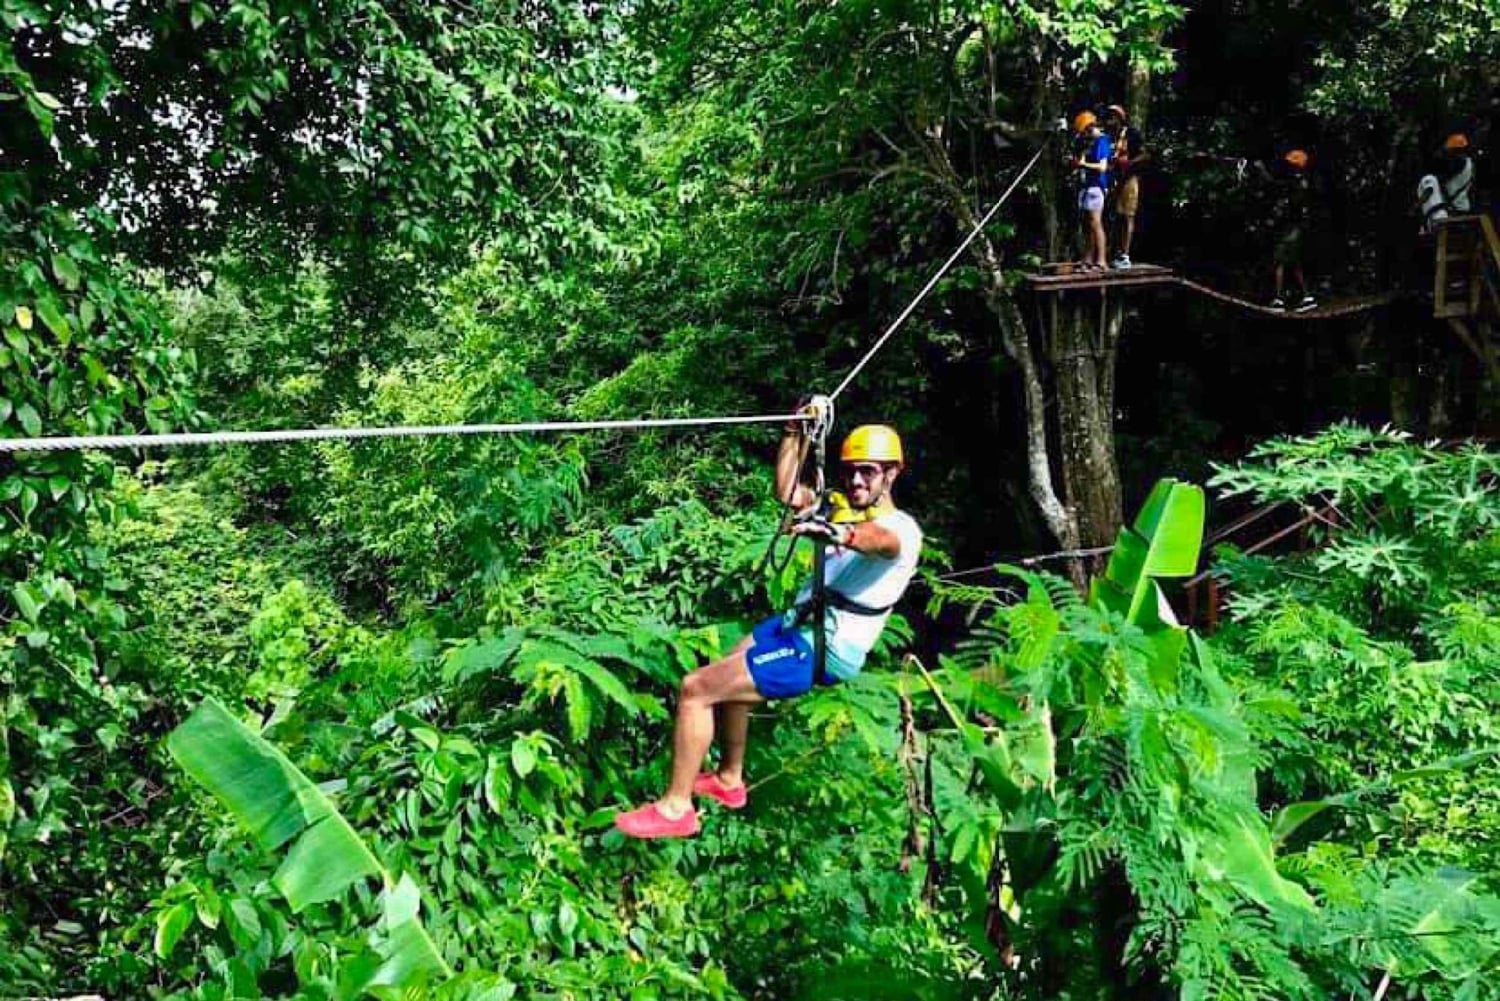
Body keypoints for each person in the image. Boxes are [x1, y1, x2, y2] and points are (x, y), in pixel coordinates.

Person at [613, 410, 923, 839]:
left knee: (696, 689)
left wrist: (838, 534)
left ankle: (675, 809)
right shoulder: (840, 508)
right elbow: (789, 491)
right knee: (728, 665)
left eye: (867, 472)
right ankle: (729, 778)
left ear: (892, 473)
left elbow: (879, 542)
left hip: (821, 647)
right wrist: (794, 431)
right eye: (850, 471)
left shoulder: (901, 529)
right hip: (799, 624)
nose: (855, 481)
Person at [1262, 148, 1317, 312]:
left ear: (1298, 165)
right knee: (1294, 263)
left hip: (1293, 229)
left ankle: (1278, 300)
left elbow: (1274, 185)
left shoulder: (1296, 181)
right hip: (1296, 228)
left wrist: (1261, 169)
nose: (1288, 166)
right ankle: (1307, 298)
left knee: (1279, 262)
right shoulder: (1301, 181)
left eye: (1291, 163)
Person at [1103, 104, 1149, 270]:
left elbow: (1145, 154)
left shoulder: (1131, 133)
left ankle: (1125, 255)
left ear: (1120, 118)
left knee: (1128, 215)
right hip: (1115, 180)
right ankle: (1112, 251)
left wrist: (1129, 162)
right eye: (1109, 116)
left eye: (1113, 116)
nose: (1110, 120)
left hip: (1130, 178)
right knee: (1115, 216)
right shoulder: (1110, 136)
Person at [1071, 110, 1113, 271]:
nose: (1084, 135)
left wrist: (1083, 165)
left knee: (1096, 223)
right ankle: (1088, 259)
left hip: (1097, 186)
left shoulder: (1102, 141)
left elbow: (1102, 167)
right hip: (1087, 185)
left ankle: (1101, 261)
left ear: (1089, 128)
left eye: (1084, 132)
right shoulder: (1090, 143)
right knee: (1089, 225)